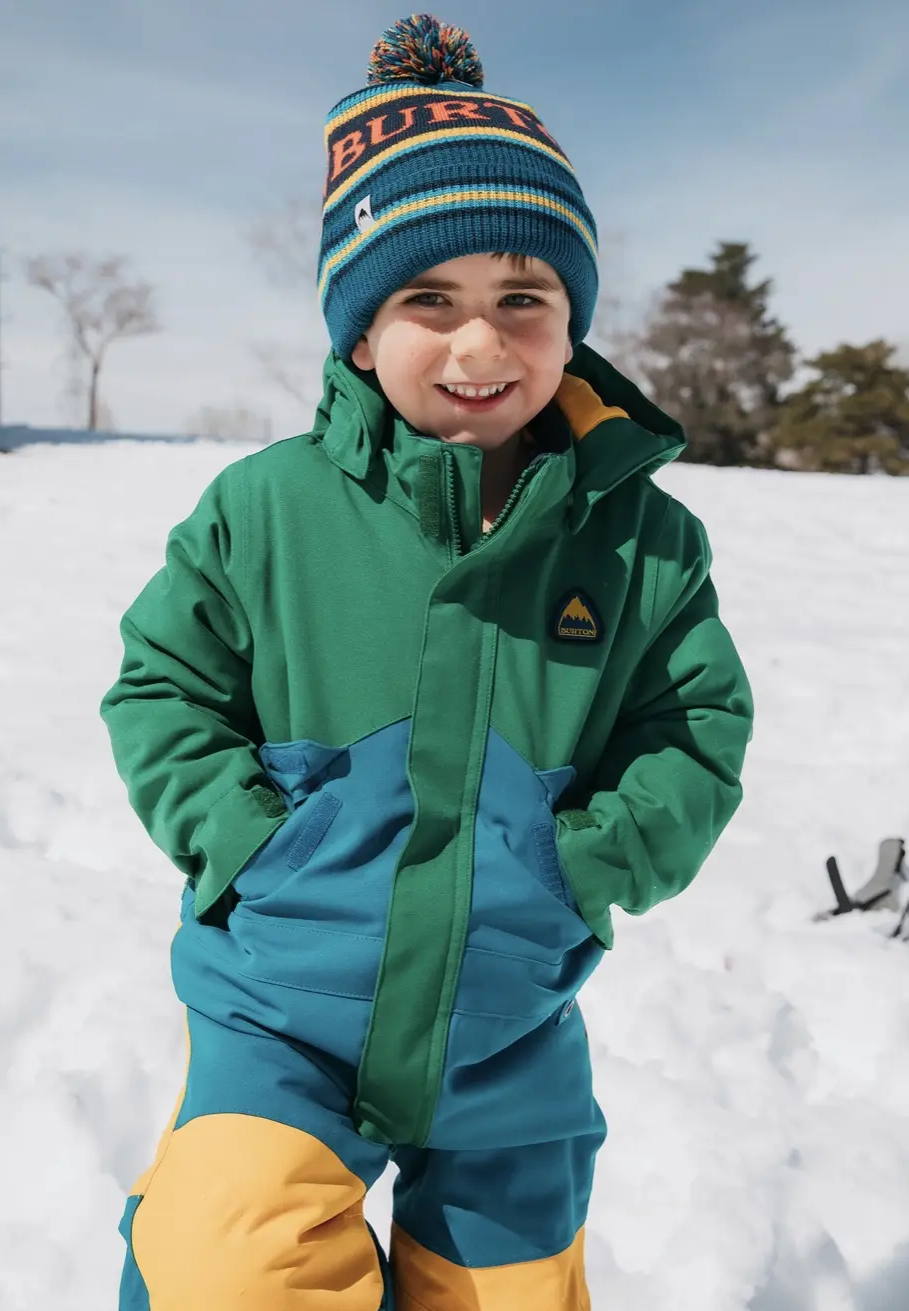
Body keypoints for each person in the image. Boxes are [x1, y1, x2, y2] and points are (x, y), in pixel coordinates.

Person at [100, 14, 753, 1310]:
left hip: (506, 1032)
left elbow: (695, 728)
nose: (478, 344)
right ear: (357, 331)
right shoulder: (265, 510)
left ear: (571, 322)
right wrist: (252, 844)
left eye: (523, 298)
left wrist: (579, 868)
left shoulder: (641, 541)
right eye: (426, 300)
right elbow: (163, 688)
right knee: (226, 1268)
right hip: (279, 1011)